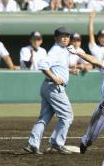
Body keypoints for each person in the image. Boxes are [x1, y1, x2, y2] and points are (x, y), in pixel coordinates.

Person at [24, 27, 74, 155]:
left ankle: (32, 144)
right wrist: (55, 78)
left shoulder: (62, 50)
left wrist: (70, 71)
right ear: (56, 38)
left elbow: (57, 67)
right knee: (67, 116)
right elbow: (43, 65)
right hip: (54, 88)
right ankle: (57, 143)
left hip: (48, 87)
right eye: (62, 36)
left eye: (67, 36)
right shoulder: (56, 50)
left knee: (44, 117)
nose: (65, 38)